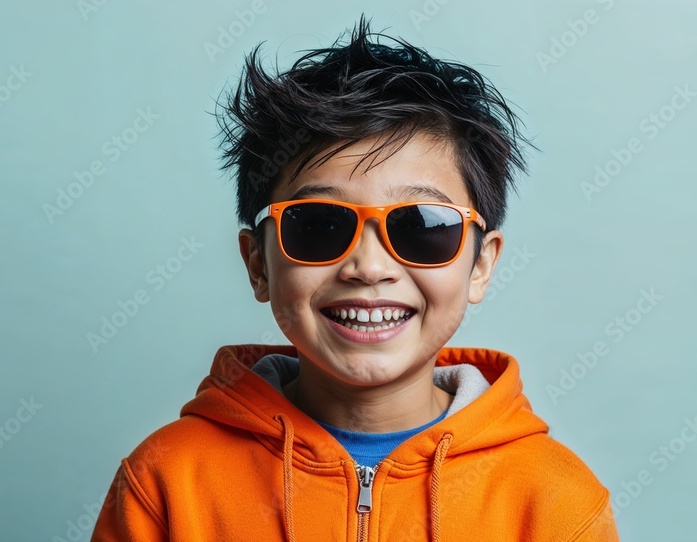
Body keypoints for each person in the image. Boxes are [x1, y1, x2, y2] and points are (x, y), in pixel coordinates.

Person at [92, 16, 619, 541]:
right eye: (320, 225)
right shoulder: (165, 484)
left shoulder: (555, 503)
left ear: (480, 265)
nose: (369, 267)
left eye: (421, 227)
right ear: (258, 265)